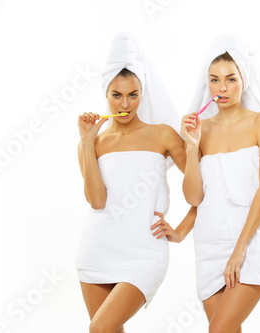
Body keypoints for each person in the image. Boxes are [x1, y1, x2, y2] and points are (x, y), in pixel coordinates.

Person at [74, 33, 196, 333]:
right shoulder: (94, 142)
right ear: (106, 93)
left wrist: (181, 230)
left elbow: (204, 188)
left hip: (145, 252)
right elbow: (97, 201)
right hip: (98, 248)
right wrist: (87, 144)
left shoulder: (164, 135)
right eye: (117, 95)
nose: (125, 104)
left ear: (143, 92)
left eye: (133, 94)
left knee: (99, 328)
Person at [180, 33, 260, 332]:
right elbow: (194, 197)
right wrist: (191, 147)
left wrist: (239, 250)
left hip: (250, 244)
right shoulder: (202, 130)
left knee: (218, 329)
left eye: (231, 79)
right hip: (209, 245)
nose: (222, 88)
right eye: (214, 80)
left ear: (245, 80)